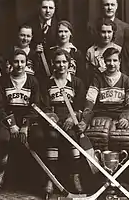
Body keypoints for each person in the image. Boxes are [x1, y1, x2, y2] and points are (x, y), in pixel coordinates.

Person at [79, 47, 129, 192]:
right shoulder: (98, 78)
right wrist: (85, 120)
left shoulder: (126, 80)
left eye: (114, 60)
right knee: (98, 136)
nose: (111, 64)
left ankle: (124, 179)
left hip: (120, 115)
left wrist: (126, 117)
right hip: (101, 114)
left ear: (120, 62)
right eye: (108, 61)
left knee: (127, 138)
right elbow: (90, 101)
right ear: (104, 62)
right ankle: (98, 180)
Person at [0, 49, 44, 191]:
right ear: (11, 63)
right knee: (2, 138)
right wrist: (11, 125)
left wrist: (25, 125)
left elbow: (35, 106)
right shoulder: (2, 81)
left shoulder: (33, 81)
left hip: (26, 119)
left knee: (39, 137)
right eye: (16, 61)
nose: (19, 65)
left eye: (22, 62)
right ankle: (1, 172)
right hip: (7, 119)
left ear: (26, 63)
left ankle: (35, 179)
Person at [43, 48, 86, 199]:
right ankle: (50, 179)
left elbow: (80, 105)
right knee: (52, 137)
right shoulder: (47, 82)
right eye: (58, 62)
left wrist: (72, 117)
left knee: (72, 137)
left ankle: (75, 177)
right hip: (53, 119)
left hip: (70, 118)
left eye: (64, 62)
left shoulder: (76, 82)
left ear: (69, 63)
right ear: (53, 64)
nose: (61, 65)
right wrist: (51, 117)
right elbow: (45, 105)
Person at [26, 0, 57, 77]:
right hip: (33, 69)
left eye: (51, 8)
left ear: (54, 9)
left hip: (52, 70)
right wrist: (33, 50)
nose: (48, 11)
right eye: (44, 7)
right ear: (39, 8)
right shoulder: (29, 25)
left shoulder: (58, 26)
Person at [86, 18, 121, 85]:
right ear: (98, 32)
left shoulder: (119, 50)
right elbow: (88, 75)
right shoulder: (91, 51)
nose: (106, 35)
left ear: (113, 32)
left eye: (109, 32)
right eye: (103, 32)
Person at [50, 20, 86, 84]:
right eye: (60, 31)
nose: (63, 34)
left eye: (66, 31)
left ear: (70, 33)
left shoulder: (77, 53)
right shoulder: (51, 52)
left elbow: (81, 74)